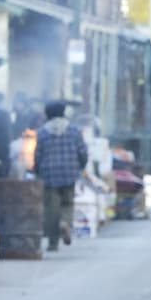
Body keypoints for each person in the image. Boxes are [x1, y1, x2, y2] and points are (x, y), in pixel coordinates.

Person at [34, 100, 88, 252]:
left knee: (51, 209)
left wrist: (37, 171)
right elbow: (82, 151)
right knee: (68, 203)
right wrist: (81, 166)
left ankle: (53, 243)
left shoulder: (42, 132)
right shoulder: (74, 130)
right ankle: (65, 223)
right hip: (69, 172)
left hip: (49, 175)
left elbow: (38, 155)